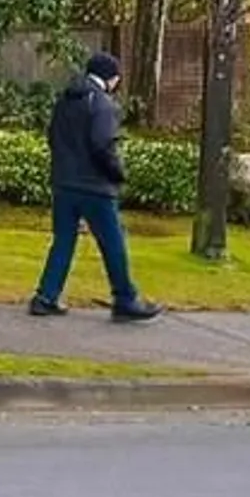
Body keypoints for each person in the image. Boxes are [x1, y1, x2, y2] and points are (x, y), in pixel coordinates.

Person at [32, 49, 163, 322]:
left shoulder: (66, 99)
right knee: (113, 242)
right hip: (95, 186)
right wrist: (117, 174)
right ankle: (125, 298)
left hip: (64, 182)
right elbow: (102, 144)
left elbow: (52, 135)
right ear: (111, 78)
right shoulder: (103, 104)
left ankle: (46, 296)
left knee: (63, 241)